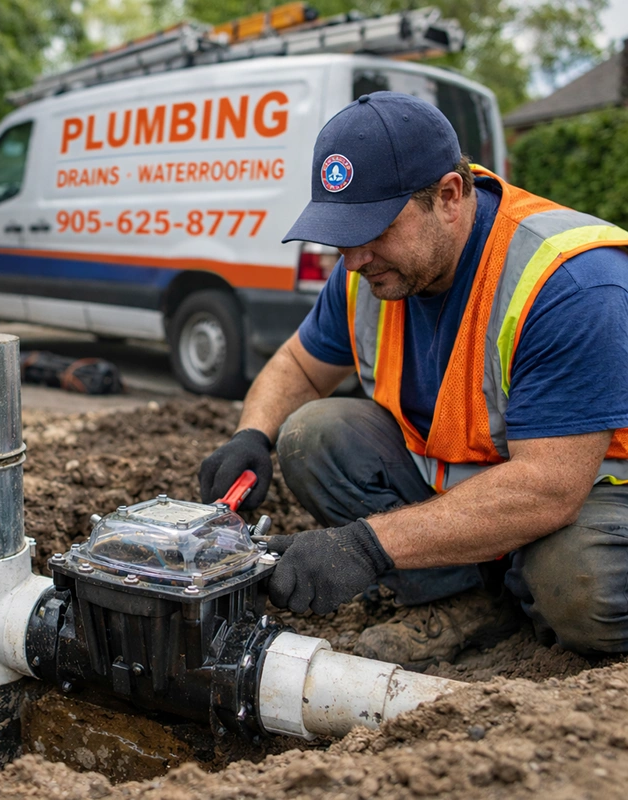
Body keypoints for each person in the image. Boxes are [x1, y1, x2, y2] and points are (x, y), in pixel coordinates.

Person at [199, 91, 628, 667]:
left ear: (449, 197)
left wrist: (368, 546)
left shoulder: (570, 286)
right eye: (341, 233)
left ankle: (532, 594)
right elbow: (299, 366)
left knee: (581, 587)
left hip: (585, 499)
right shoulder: (369, 275)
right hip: (501, 493)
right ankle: (468, 601)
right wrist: (252, 436)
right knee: (311, 432)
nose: (353, 259)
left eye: (373, 228)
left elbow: (549, 488)